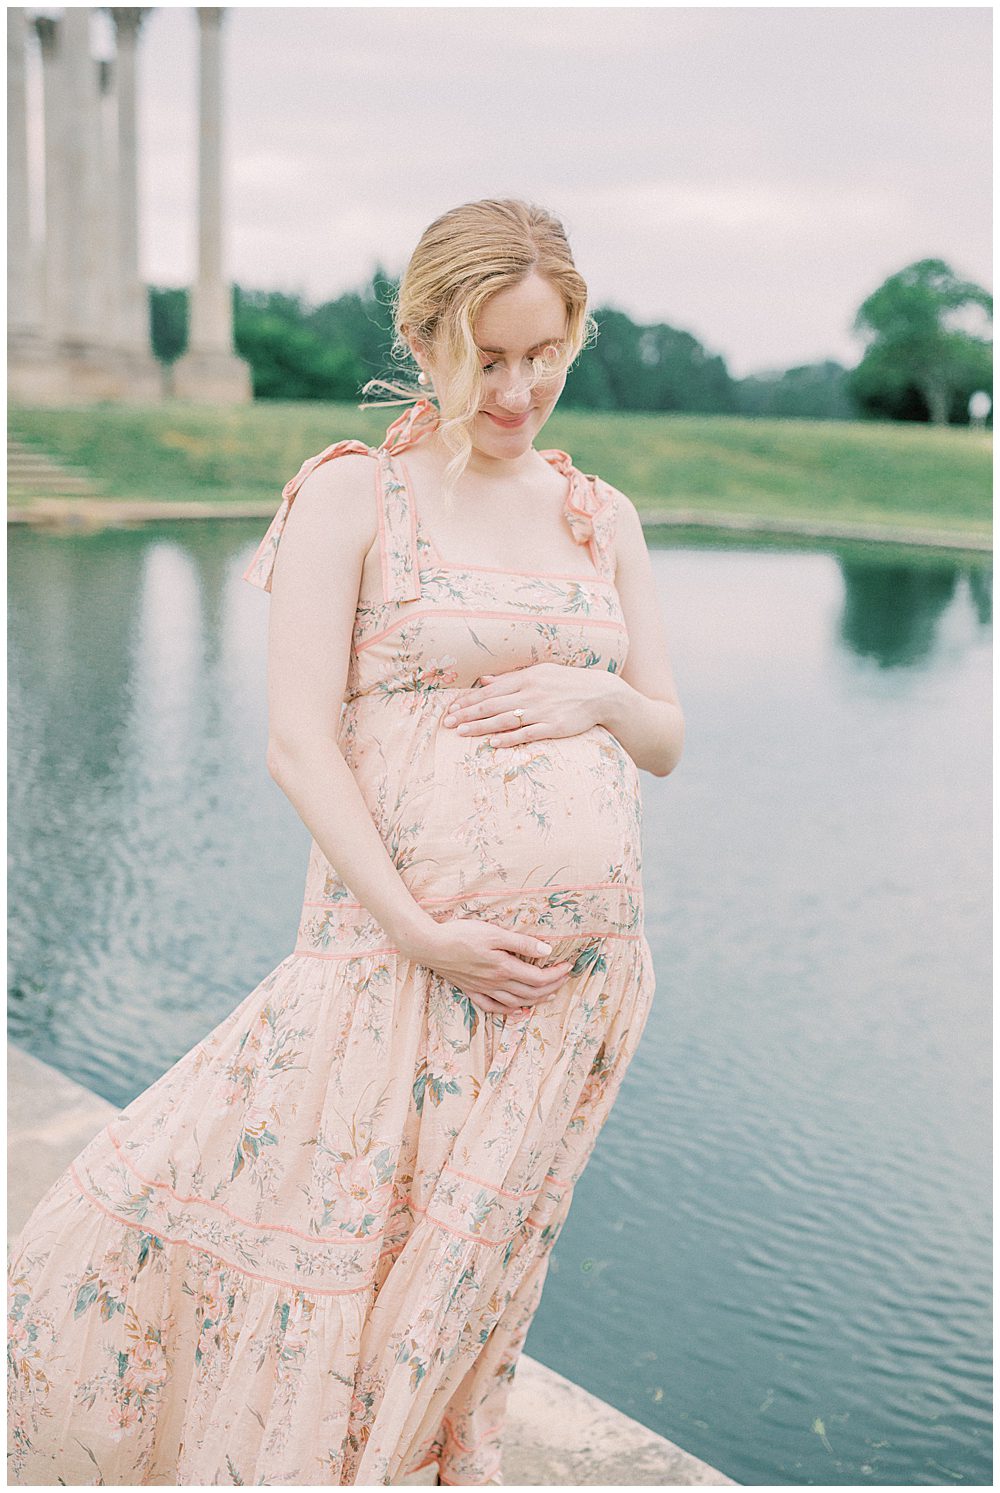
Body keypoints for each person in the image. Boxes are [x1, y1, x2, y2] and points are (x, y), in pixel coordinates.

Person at [7, 197, 684, 1486]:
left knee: (464, 1295)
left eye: (546, 353)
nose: (521, 387)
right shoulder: (354, 496)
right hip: (394, 967)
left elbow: (664, 735)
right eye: (491, 356)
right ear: (429, 336)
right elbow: (297, 745)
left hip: (566, 1004)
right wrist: (424, 931)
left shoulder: (603, 516)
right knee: (324, 1275)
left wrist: (599, 698)